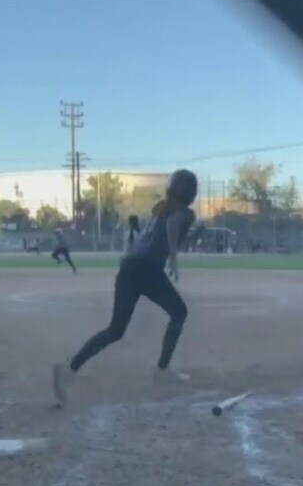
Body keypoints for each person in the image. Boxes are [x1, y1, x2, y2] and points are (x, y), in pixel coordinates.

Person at [53, 170, 198, 406]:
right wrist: (173, 258)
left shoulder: (161, 208)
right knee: (179, 313)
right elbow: (172, 227)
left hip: (130, 267)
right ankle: (161, 370)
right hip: (148, 269)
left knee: (115, 329)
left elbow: (168, 234)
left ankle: (69, 369)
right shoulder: (185, 212)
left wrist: (181, 243)